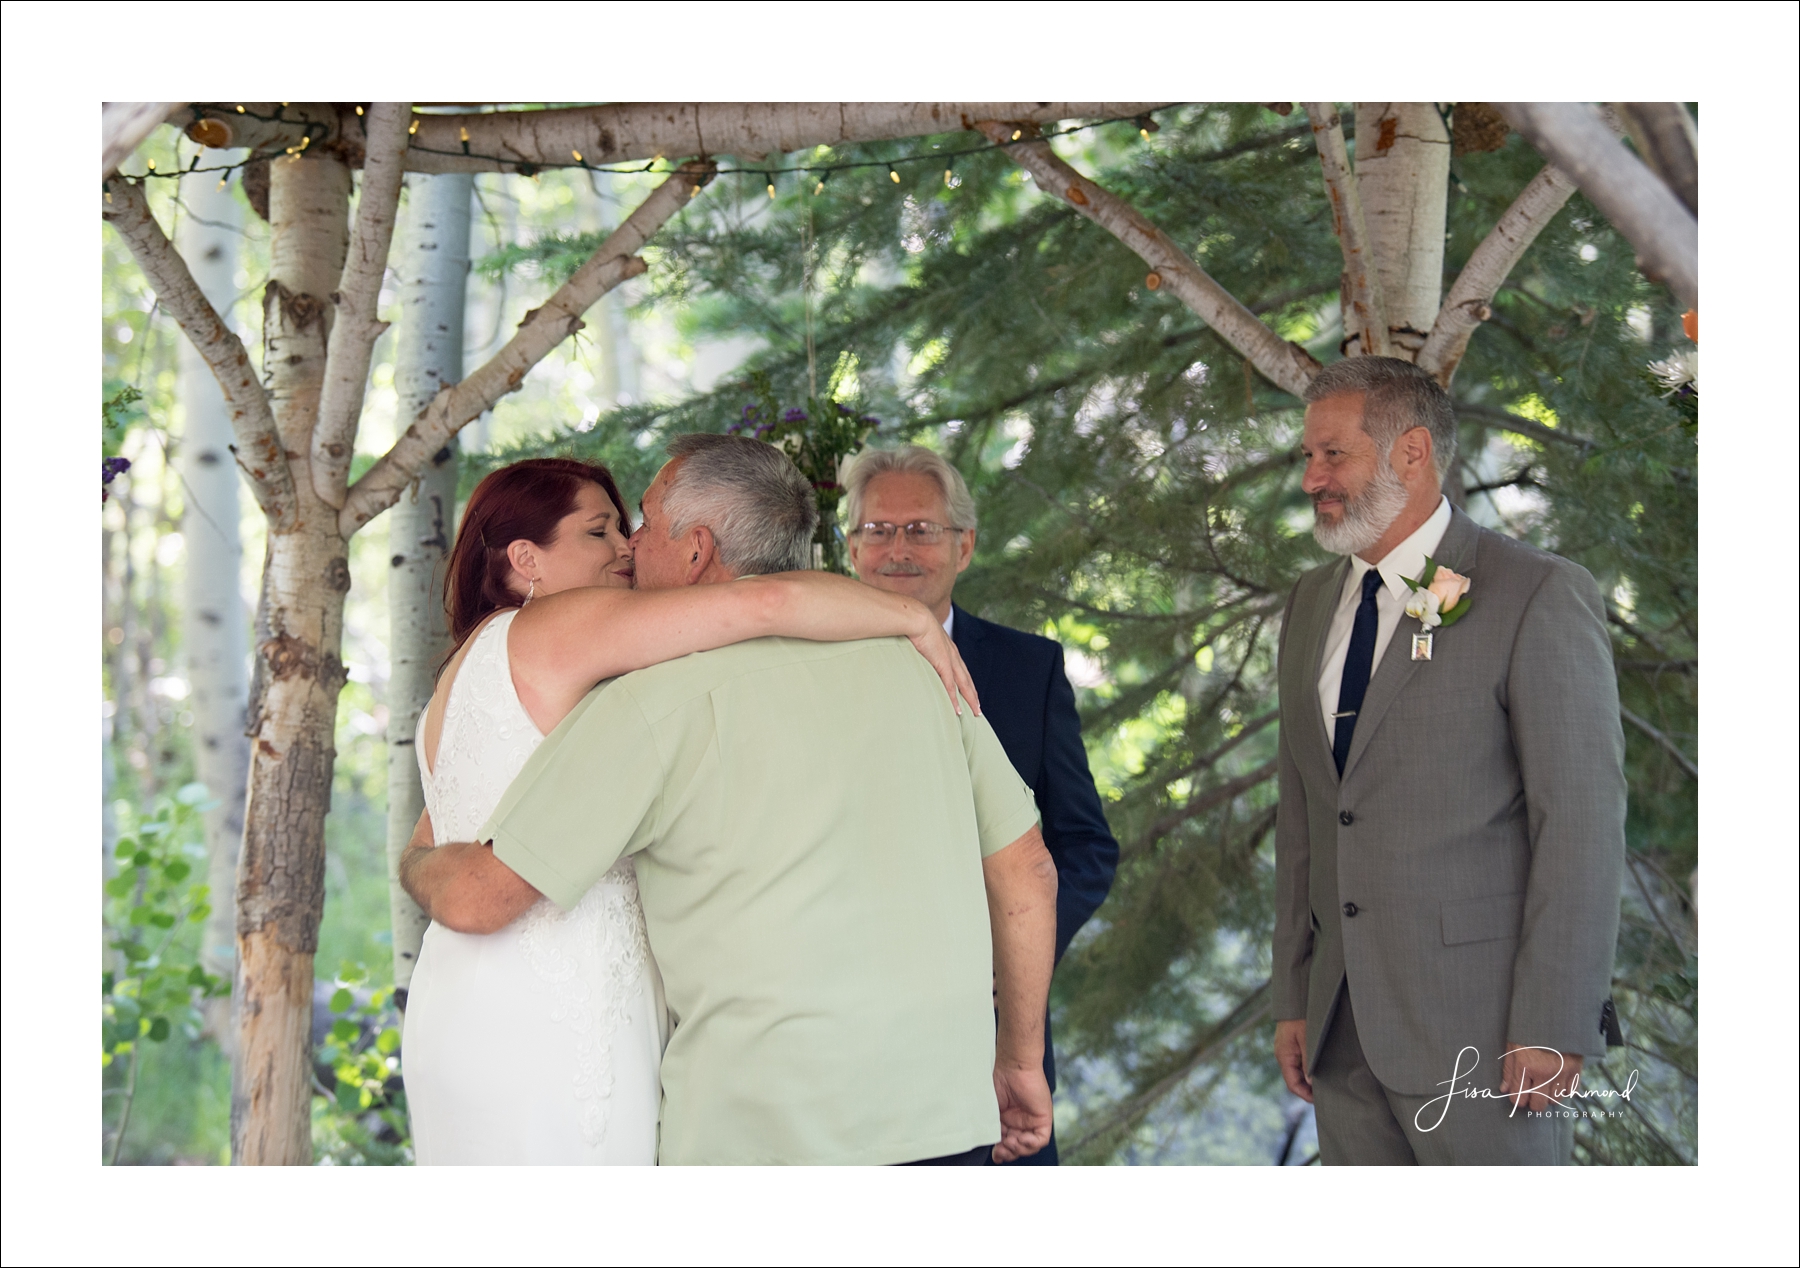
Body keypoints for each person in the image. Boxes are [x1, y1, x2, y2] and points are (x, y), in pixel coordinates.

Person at [403, 435, 1059, 1165]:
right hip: (940, 1111)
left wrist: (416, 859)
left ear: (696, 551)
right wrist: (1019, 1062)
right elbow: (1027, 868)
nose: (629, 545)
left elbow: (482, 893)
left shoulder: (648, 705)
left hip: (755, 1126)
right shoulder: (929, 673)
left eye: (642, 522)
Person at [1271, 357, 1626, 1165]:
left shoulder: (1535, 593)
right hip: (1338, 1032)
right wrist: (1295, 994)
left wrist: (1554, 1020)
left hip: (1489, 1036)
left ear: (1412, 452)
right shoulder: (1310, 603)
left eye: (1333, 455)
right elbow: (1305, 814)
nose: (1311, 479)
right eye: (1307, 457)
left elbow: (1580, 824)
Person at [842, 444, 1120, 1166]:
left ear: (964, 546)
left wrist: (1015, 955)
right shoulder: (808, 668)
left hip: (994, 1042)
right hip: (846, 1030)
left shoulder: (1031, 668)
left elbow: (1085, 847)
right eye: (878, 530)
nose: (897, 549)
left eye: (921, 529)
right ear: (850, 547)